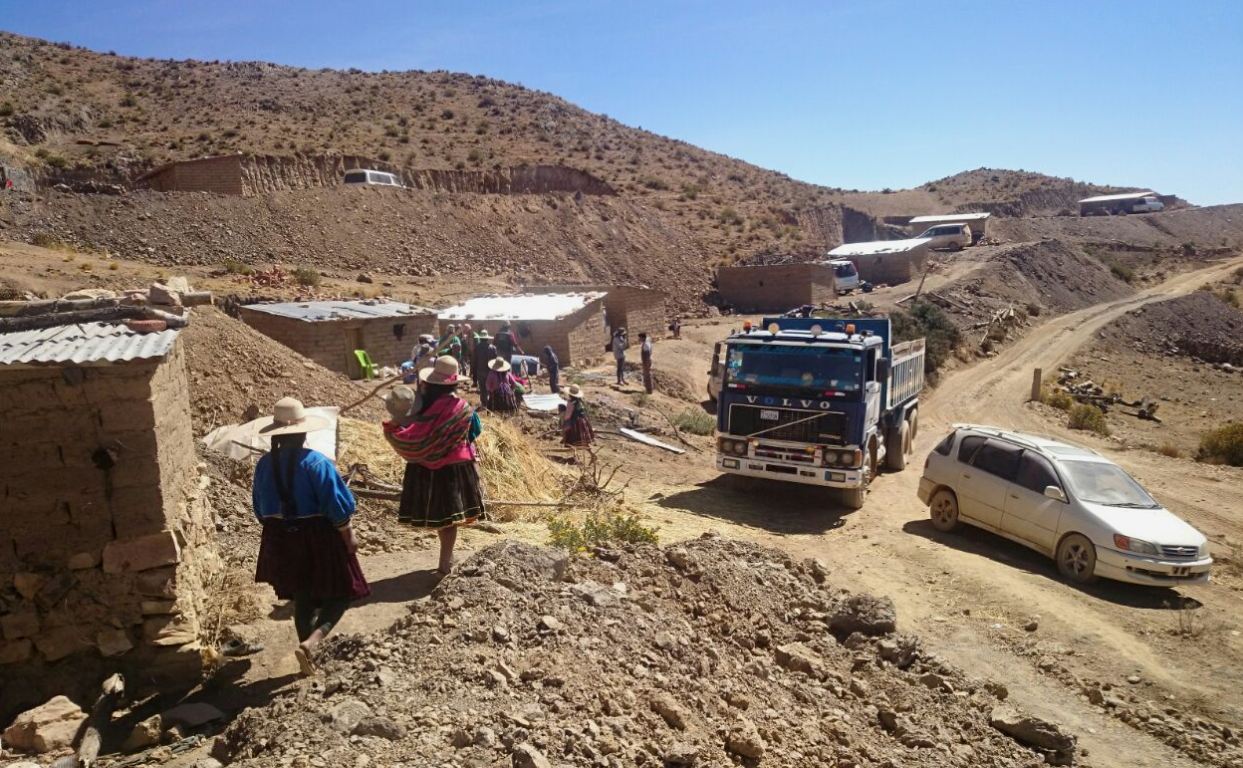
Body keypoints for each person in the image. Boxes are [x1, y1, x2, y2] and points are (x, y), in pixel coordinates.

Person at [253, 397, 369, 676]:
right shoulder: (316, 463)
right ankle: (312, 642)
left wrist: (280, 527)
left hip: (280, 537)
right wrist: (348, 536)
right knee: (343, 590)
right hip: (318, 536)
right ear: (303, 433)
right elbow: (337, 505)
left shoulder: (264, 465)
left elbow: (259, 508)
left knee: (302, 594)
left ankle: (307, 654)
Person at [383, 357, 486, 575]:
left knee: (442, 519)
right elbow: (475, 431)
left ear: (429, 384)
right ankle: (445, 564)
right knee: (450, 520)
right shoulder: (464, 409)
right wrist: (452, 439)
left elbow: (409, 433)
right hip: (454, 469)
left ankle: (446, 560)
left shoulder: (421, 408)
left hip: (424, 469)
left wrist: (394, 429)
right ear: (454, 383)